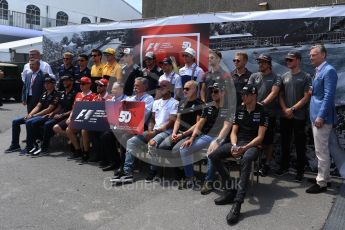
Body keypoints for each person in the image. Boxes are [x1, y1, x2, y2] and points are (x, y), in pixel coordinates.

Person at [209, 84, 268, 225]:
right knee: (213, 156)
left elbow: (260, 137)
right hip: (238, 143)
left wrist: (244, 147)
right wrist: (235, 146)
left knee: (246, 159)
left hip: (253, 145)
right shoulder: (239, 109)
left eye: (246, 94)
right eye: (242, 94)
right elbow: (233, 132)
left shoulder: (262, 111)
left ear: (254, 95)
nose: (243, 96)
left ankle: (237, 204)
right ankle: (230, 189)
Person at [177, 82, 232, 189]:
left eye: (216, 91)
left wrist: (217, 141)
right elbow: (200, 123)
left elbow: (226, 127)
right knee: (184, 149)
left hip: (221, 137)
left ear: (223, 93)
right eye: (212, 91)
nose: (213, 94)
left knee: (211, 152)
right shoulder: (208, 106)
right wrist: (192, 138)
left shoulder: (229, 108)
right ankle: (190, 177)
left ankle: (209, 181)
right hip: (207, 136)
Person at [306, 44, 338, 194]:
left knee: (321, 151)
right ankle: (325, 176)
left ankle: (322, 183)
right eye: (310, 55)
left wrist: (320, 116)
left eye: (313, 55)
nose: (310, 57)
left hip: (321, 118)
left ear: (323, 55)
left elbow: (328, 96)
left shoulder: (329, 70)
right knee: (322, 149)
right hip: (316, 115)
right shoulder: (319, 71)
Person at [276, 51, 312, 182]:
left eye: (291, 60)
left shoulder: (306, 76)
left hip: (299, 117)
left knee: (300, 145)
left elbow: (307, 96)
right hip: (285, 115)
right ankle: (284, 167)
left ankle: (300, 171)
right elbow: (280, 95)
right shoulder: (284, 76)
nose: (288, 62)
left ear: (298, 60)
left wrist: (292, 109)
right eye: (287, 60)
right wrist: (285, 109)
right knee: (284, 142)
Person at [5, 76, 60, 154]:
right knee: (15, 121)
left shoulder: (56, 94)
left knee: (29, 122)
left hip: (46, 116)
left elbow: (49, 109)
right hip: (38, 115)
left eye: (48, 83)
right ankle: (15, 145)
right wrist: (30, 114)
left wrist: (34, 115)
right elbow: (38, 106)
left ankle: (30, 146)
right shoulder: (44, 94)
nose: (46, 85)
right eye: (45, 83)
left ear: (53, 84)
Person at [248, 54, 281, 177]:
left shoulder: (276, 77)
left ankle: (266, 164)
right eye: (259, 62)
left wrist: (262, 104)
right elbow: (249, 90)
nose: (260, 64)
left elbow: (274, 92)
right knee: (254, 139)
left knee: (268, 141)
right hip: (254, 113)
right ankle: (256, 163)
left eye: (263, 62)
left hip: (268, 114)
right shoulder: (253, 76)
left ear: (269, 64)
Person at [32, 75, 77, 155]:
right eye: (63, 81)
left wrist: (62, 115)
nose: (64, 82)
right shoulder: (62, 93)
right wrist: (52, 113)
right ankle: (38, 143)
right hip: (59, 115)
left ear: (71, 81)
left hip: (68, 116)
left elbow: (74, 109)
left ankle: (44, 148)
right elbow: (59, 107)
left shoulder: (75, 93)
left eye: (67, 80)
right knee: (39, 123)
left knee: (47, 124)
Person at [92, 82, 128, 170]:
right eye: (112, 89)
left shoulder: (127, 99)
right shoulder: (110, 99)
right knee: (100, 133)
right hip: (112, 125)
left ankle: (119, 163)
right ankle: (110, 159)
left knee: (112, 136)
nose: (112, 91)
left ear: (121, 90)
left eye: (114, 89)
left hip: (125, 127)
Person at [65, 77, 96, 160]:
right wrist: (70, 118)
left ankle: (86, 152)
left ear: (89, 85)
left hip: (87, 121)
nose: (81, 85)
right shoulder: (78, 94)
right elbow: (74, 108)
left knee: (84, 130)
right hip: (78, 119)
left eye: (83, 84)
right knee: (68, 129)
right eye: (80, 83)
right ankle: (77, 150)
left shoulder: (93, 96)